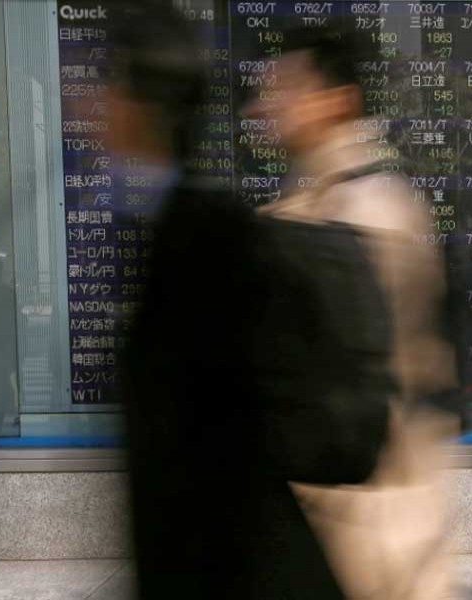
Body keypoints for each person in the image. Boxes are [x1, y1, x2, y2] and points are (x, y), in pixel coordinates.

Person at [115, 5, 390, 598]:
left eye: (285, 88)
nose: (263, 107)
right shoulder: (210, 223)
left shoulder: (216, 234)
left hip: (323, 547)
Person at [247, 25, 462, 600]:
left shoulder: (366, 205)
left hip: (372, 514)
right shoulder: (312, 195)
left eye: (286, 88)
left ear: (337, 99)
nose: (266, 104)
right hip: (339, 504)